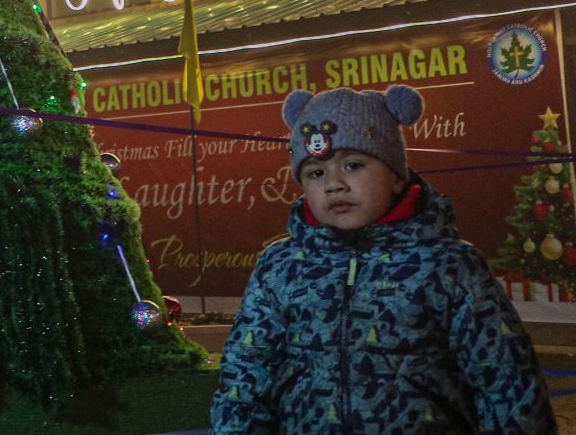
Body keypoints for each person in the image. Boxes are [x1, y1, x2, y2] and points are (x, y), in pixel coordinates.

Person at [213, 85, 556, 435]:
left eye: (353, 165)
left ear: (395, 176)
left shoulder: (449, 265)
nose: (334, 184)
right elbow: (246, 375)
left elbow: (507, 382)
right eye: (316, 173)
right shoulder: (280, 267)